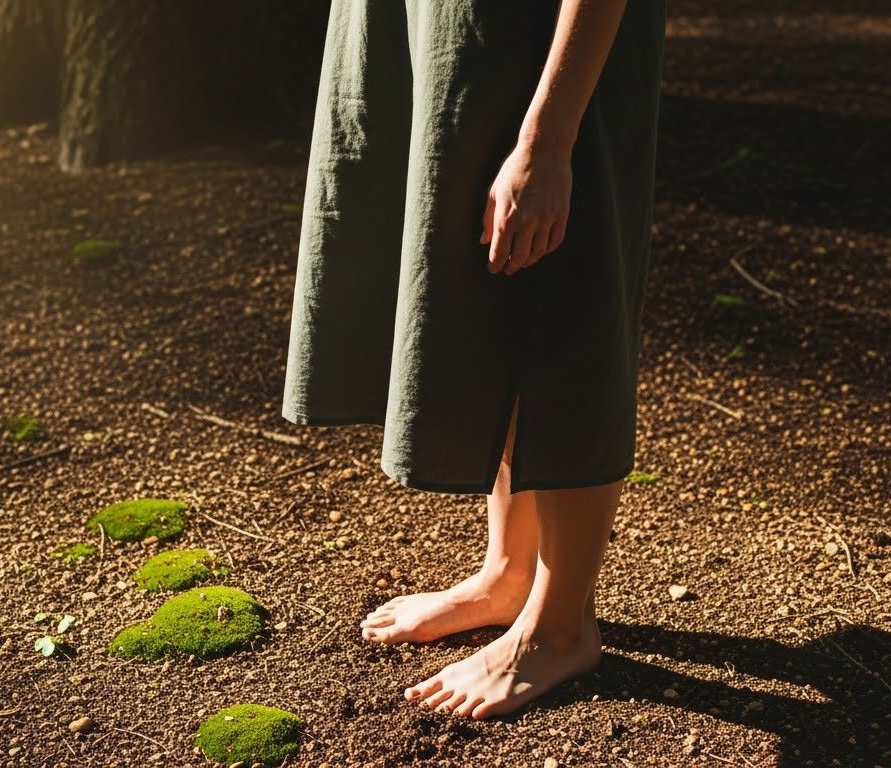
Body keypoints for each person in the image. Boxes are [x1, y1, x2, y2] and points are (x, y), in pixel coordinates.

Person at [282, 0, 667, 719]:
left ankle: (560, 625)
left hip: (545, 49)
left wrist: (548, 137)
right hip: (436, 37)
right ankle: (508, 575)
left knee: (564, 287)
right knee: (488, 285)